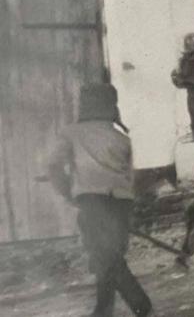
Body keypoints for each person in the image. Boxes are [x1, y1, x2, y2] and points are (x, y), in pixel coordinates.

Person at [45, 83, 153, 317]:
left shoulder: (71, 133)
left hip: (93, 202)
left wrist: (68, 193)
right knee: (108, 257)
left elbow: (53, 166)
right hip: (122, 203)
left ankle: (142, 307)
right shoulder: (121, 137)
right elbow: (131, 176)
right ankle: (103, 310)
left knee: (106, 258)